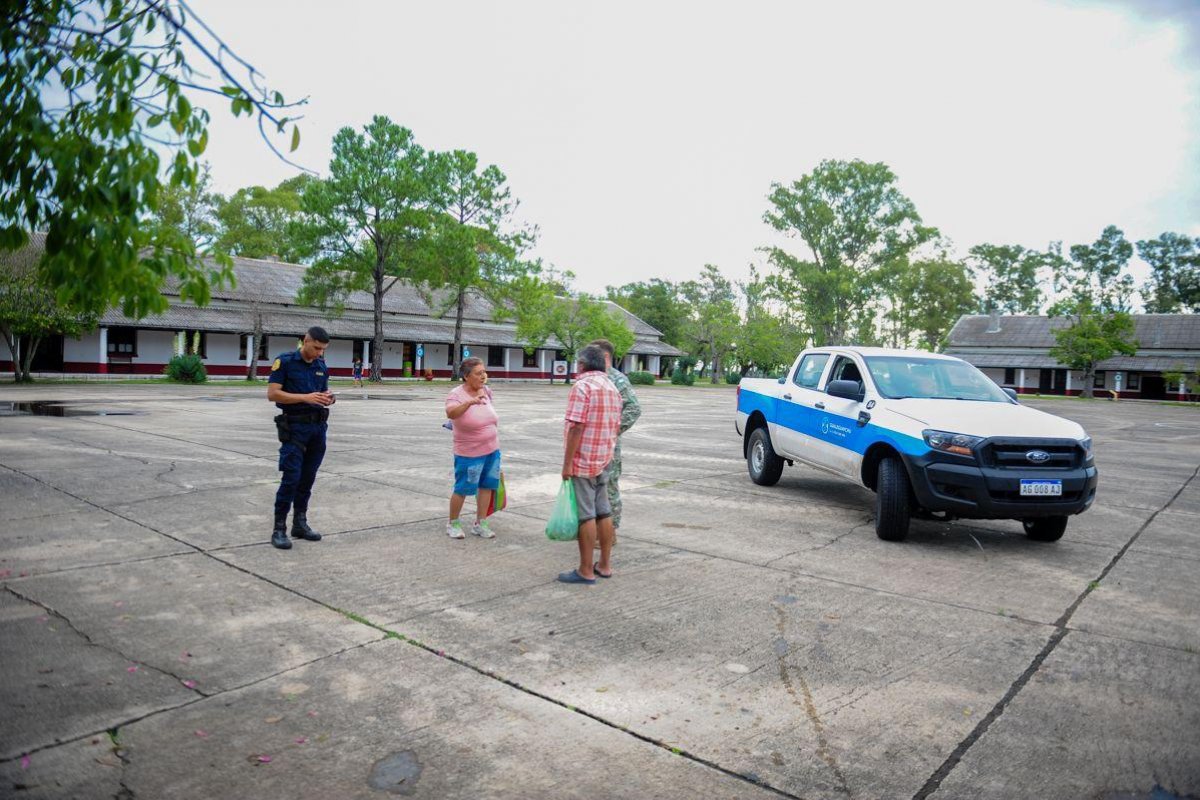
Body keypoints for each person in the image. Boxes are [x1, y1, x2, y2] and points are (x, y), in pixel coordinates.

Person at [267, 327, 336, 550]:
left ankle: (300, 523)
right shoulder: (285, 362)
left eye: (323, 349)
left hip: (317, 428)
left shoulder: (320, 365)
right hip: (294, 428)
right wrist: (305, 398)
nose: (319, 353)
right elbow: (273, 394)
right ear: (305, 341)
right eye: (316, 348)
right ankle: (279, 529)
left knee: (307, 479)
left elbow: (322, 392)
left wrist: (329, 398)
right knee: (291, 478)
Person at [557, 345, 621, 584]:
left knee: (586, 516)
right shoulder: (612, 387)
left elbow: (576, 426)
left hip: (583, 461)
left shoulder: (583, 386)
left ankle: (585, 570)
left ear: (582, 364)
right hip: (604, 458)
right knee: (604, 511)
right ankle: (604, 565)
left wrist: (567, 464)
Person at [589, 339, 641, 546]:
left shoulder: (617, 379)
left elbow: (634, 409)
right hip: (591, 444)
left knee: (608, 488)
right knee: (591, 489)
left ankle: (610, 533)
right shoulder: (593, 377)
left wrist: (612, 430)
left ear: (605, 357)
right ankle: (595, 530)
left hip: (609, 446)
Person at [444, 357, 500, 539]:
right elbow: (451, 413)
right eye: (478, 373)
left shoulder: (487, 391)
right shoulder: (456, 394)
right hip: (469, 452)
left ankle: (480, 523)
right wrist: (470, 402)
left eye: (484, 372)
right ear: (466, 376)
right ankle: (453, 523)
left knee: (487, 486)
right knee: (463, 488)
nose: (483, 376)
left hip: (492, 450)